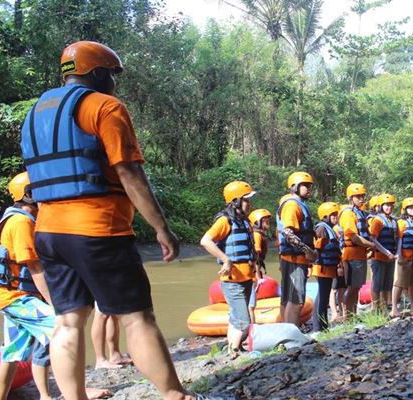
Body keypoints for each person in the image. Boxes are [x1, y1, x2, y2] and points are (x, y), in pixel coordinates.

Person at [20, 41, 194, 400]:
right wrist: (162, 228)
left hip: (48, 232)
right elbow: (128, 172)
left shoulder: (34, 112)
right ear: (97, 72)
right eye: (112, 74)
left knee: (68, 321)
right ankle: (176, 396)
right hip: (97, 230)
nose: (115, 82)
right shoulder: (105, 106)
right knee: (137, 317)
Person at [0, 172, 55, 400]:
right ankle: (77, 391)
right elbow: (35, 269)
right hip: (15, 297)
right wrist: (54, 303)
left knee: (12, 352)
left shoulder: (21, 219)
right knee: (61, 329)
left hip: (11, 295)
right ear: (28, 194)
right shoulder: (20, 223)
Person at [200, 181, 257, 356]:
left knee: (235, 319)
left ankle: (233, 351)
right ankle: (234, 349)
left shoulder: (245, 221)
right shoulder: (225, 221)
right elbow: (205, 241)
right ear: (235, 201)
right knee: (244, 322)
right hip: (232, 281)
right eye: (246, 200)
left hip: (246, 278)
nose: (250, 204)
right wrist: (225, 259)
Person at [276, 172, 317, 325]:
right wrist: (308, 251)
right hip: (294, 259)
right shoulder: (292, 204)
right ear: (294, 187)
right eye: (305, 185)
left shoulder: (297, 203)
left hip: (294, 258)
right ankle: (292, 334)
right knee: (296, 300)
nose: (308, 188)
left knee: (288, 298)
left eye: (309, 185)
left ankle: (287, 333)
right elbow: (287, 232)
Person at [339, 184, 376, 317]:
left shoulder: (359, 212)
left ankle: (352, 315)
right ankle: (348, 317)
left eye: (362, 196)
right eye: (357, 196)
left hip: (360, 255)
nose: (361, 199)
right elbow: (353, 237)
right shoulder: (348, 213)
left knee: (356, 287)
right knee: (352, 288)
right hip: (351, 255)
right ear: (350, 198)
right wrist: (372, 245)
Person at [311, 202, 341, 332]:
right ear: (325, 216)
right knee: (322, 298)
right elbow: (317, 248)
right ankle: (319, 328)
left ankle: (323, 326)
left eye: (336, 214)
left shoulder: (330, 229)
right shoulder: (322, 228)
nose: (336, 217)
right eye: (333, 215)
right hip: (322, 268)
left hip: (329, 268)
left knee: (323, 296)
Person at [367, 193, 398, 311]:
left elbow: (397, 239)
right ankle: (375, 308)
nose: (388, 208)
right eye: (386, 205)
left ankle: (384, 307)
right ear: (380, 206)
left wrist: (396, 253)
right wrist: (386, 252)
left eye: (390, 205)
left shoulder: (393, 221)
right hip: (379, 257)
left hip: (390, 258)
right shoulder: (377, 220)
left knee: (387, 284)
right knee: (377, 284)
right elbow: (373, 238)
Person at [248, 209, 271, 323]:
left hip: (255, 269)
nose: (267, 222)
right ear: (257, 222)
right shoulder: (257, 234)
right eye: (264, 220)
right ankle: (252, 328)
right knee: (251, 304)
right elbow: (256, 257)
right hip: (252, 271)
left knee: (251, 302)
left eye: (268, 220)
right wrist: (258, 276)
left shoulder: (260, 233)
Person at [329, 218, 347, 322]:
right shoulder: (334, 230)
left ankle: (343, 312)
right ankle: (334, 313)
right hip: (336, 265)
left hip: (343, 263)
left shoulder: (343, 229)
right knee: (333, 290)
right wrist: (339, 266)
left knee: (342, 289)